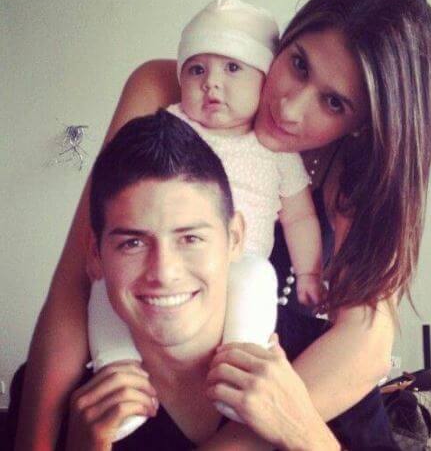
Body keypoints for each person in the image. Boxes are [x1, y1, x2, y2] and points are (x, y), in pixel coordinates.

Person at [15, 0, 431, 450]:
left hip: (282, 405)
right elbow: (77, 282)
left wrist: (244, 438)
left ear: (365, 124)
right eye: (298, 64)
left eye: (334, 102)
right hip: (154, 394)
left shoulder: (358, 181)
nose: (289, 106)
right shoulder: (179, 86)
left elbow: (366, 346)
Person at [7, 109, 344, 450]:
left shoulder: (322, 359)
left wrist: (306, 435)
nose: (164, 272)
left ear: (235, 239)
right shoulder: (48, 393)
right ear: (95, 255)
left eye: (190, 239)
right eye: (132, 243)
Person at [87, 0, 324, 437]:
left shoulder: (275, 152)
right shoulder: (171, 125)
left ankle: (239, 366)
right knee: (104, 288)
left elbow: (299, 217)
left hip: (242, 263)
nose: (212, 84)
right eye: (197, 70)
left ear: (264, 80)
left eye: (233, 68)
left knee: (259, 278)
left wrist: (309, 272)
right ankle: (117, 370)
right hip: (164, 279)